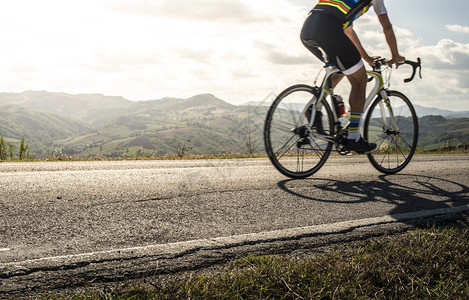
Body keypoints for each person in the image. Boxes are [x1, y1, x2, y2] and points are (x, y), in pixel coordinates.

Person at [300, 0, 405, 153]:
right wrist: (395, 55)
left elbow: (348, 31)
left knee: (342, 68)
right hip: (329, 29)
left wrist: (367, 58)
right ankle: (353, 137)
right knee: (360, 81)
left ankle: (315, 106)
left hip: (308, 30)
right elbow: (387, 27)